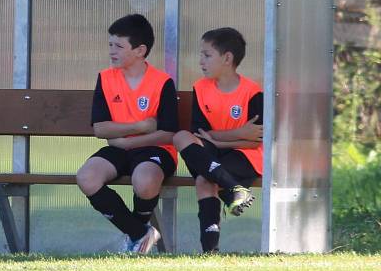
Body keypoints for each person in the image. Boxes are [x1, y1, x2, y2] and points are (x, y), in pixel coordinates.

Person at [76, 14, 179, 254]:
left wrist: (129, 139)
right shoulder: (105, 78)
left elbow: (167, 134)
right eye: (110, 45)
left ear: (140, 50)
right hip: (119, 148)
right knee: (86, 177)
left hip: (155, 150)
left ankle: (137, 235)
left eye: (119, 46)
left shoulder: (162, 82)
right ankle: (140, 233)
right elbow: (100, 129)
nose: (112, 51)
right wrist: (139, 127)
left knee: (144, 181)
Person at [172, 27, 263, 253]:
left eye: (207, 55)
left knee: (205, 180)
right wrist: (237, 132)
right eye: (200, 55)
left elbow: (253, 141)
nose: (200, 61)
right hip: (212, 154)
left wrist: (221, 141)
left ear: (227, 58)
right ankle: (234, 189)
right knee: (181, 137)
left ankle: (210, 248)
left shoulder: (253, 92)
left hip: (246, 156)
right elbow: (198, 134)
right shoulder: (201, 88)